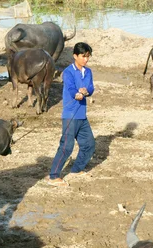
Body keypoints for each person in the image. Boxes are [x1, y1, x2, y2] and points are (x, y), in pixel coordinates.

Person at [46, 42, 95, 187]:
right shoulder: (68, 72)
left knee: (89, 144)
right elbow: (71, 87)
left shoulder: (88, 72)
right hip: (70, 115)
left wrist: (87, 92)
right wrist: (77, 94)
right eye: (83, 56)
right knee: (67, 146)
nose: (85, 59)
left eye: (88, 57)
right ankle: (53, 176)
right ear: (75, 56)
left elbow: (91, 88)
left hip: (82, 115)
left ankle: (76, 169)